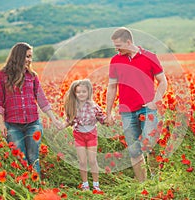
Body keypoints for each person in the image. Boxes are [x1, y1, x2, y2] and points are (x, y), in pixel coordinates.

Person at [106, 27, 168, 182]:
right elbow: (112, 87)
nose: (116, 48)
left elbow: (163, 82)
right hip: (127, 112)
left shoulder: (150, 57)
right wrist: (108, 112)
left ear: (128, 42)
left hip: (148, 109)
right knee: (134, 151)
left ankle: (155, 181)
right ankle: (142, 185)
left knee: (150, 146)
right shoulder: (115, 60)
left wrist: (155, 102)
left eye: (119, 45)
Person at [0, 42, 63, 175]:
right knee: (21, 159)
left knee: (33, 157)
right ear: (18, 56)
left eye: (31, 57)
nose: (29, 60)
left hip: (33, 124)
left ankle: (38, 188)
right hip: (12, 126)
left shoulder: (32, 76)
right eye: (27, 56)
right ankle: (26, 188)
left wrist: (54, 119)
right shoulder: (1, 76)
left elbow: (42, 100)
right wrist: (1, 123)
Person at [63, 79, 107, 191]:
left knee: (92, 160)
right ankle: (85, 184)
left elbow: (102, 118)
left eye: (83, 92)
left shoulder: (93, 106)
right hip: (79, 135)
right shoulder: (73, 107)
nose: (81, 94)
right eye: (78, 92)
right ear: (75, 93)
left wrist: (109, 120)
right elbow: (69, 121)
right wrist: (61, 125)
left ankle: (96, 185)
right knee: (82, 161)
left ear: (88, 92)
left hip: (91, 135)